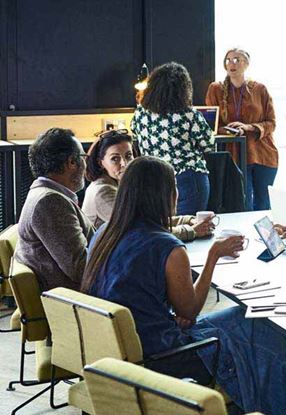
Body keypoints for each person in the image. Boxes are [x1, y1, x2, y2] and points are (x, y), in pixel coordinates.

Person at [81, 156, 286, 415]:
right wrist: (213, 257)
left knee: (249, 321)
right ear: (165, 195)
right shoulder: (167, 246)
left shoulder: (104, 233)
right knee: (261, 324)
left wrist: (169, 315)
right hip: (164, 356)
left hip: (122, 349)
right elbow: (190, 310)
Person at [82, 129, 216, 240]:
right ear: (101, 163)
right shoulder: (103, 191)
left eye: (128, 156)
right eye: (115, 158)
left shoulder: (119, 184)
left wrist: (187, 220)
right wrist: (191, 231)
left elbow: (147, 220)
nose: (124, 164)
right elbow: (141, 231)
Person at [15, 128, 94, 291]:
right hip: (77, 302)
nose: (86, 164)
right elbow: (80, 268)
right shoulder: (50, 202)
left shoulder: (45, 195)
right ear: (72, 162)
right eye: (84, 157)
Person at [132, 62, 214, 215]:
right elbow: (209, 144)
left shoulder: (140, 114)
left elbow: (136, 137)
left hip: (154, 178)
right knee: (190, 229)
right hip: (187, 177)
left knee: (162, 230)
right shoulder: (188, 115)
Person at [205, 48, 279, 211]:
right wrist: (229, 131)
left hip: (263, 154)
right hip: (235, 156)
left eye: (237, 60)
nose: (232, 63)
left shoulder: (259, 89)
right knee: (241, 204)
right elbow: (211, 124)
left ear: (246, 64)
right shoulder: (215, 89)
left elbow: (272, 123)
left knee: (263, 204)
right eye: (228, 60)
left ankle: (262, 236)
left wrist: (249, 127)